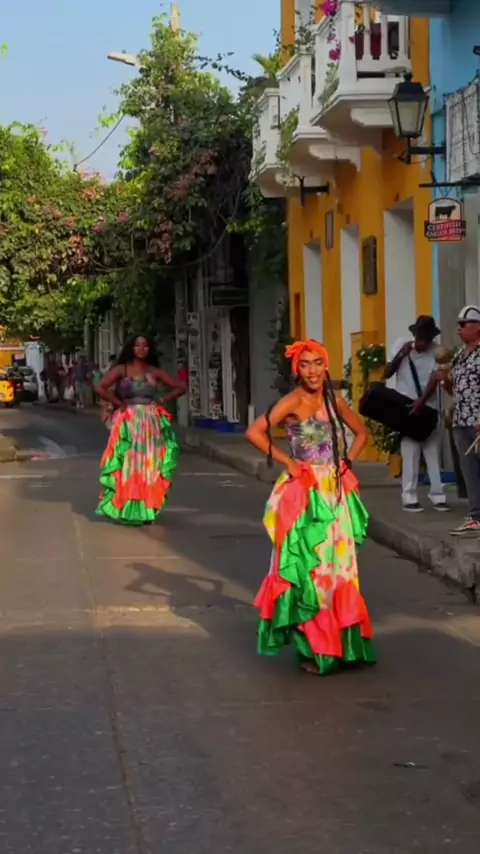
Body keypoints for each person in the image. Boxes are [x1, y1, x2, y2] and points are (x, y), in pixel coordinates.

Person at [245, 339, 375, 676]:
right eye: (305, 364)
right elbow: (255, 432)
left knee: (338, 569)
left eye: (318, 363)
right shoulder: (292, 401)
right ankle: (315, 647)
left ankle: (342, 644)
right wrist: (288, 461)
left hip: (335, 492)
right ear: (297, 369)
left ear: (325, 366)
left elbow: (361, 433)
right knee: (310, 570)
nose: (313, 370)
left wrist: (346, 462)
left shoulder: (335, 400)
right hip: (304, 493)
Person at [95, 334, 186, 525]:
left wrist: (162, 400)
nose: (141, 348)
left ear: (149, 348)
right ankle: (125, 506)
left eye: (145, 345)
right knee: (128, 463)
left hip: (150, 422)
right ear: (131, 348)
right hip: (128, 422)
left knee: (149, 464)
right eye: (137, 345)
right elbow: (101, 387)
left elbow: (180, 387)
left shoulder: (155, 370)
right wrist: (119, 404)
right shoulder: (121, 369)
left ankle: (145, 508)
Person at [383, 315, 447, 513]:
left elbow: (435, 378)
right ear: (415, 335)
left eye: (426, 339)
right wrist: (401, 355)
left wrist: (422, 401)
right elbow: (386, 373)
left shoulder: (438, 351)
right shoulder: (402, 345)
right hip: (406, 407)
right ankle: (409, 496)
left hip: (430, 407)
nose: (423, 343)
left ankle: (438, 496)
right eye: (420, 338)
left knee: (432, 453)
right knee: (410, 453)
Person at [438, 306, 480, 537]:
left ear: (478, 327)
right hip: (461, 419)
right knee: (469, 471)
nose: (459, 329)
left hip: (477, 420)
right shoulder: (459, 356)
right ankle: (476, 516)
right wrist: (445, 381)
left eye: (464, 324)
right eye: (458, 325)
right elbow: (456, 390)